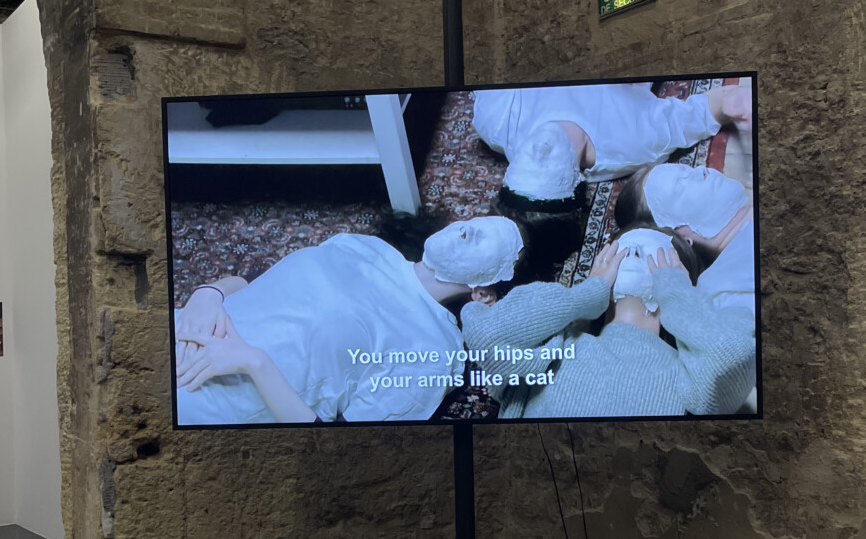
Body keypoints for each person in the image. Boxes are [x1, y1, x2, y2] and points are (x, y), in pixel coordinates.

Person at [173, 216, 523, 424]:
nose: (466, 229)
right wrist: (209, 293)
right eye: (474, 222)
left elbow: (333, 451)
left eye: (485, 241)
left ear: (483, 294)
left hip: (196, 402)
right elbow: (254, 284)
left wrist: (254, 363)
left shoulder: (434, 352)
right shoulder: (363, 245)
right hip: (174, 332)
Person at [460, 240, 755, 419]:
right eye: (622, 250)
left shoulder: (688, 375)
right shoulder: (557, 346)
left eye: (655, 255)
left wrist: (679, 297)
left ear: (679, 277)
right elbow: (486, 336)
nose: (634, 251)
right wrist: (587, 294)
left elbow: (734, 355)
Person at [472, 78, 753, 209]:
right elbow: (701, 113)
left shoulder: (495, 120)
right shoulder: (635, 142)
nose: (538, 150)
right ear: (573, 183)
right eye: (543, 171)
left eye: (525, 164)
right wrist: (731, 104)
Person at [616, 161, 755, 321]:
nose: (702, 170)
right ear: (681, 236)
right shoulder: (724, 292)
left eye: (690, 169)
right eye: (680, 186)